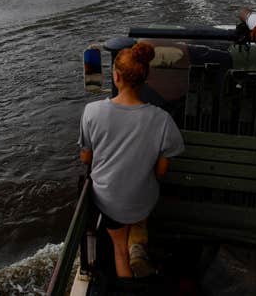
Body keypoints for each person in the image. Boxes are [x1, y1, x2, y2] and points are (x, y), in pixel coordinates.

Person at [78, 42, 185, 278]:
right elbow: (161, 171)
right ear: (144, 79)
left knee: (118, 250)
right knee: (141, 200)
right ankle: (138, 242)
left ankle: (129, 261)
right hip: (142, 199)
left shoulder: (91, 111)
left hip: (109, 200)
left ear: (116, 77)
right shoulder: (162, 119)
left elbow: (86, 158)